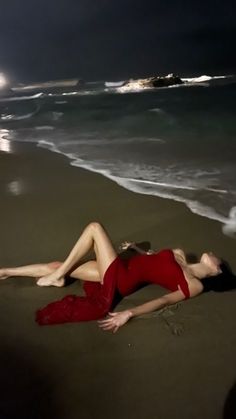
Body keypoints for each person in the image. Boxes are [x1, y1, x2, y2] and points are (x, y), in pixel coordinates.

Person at [0, 222, 224, 331]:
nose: (213, 254)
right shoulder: (179, 254)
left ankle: (58, 276)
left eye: (218, 260)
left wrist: (129, 312)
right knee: (59, 264)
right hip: (120, 266)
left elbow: (164, 300)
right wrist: (135, 249)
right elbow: (153, 258)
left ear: (216, 271)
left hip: (122, 279)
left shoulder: (195, 285)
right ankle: (7, 272)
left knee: (95, 228)